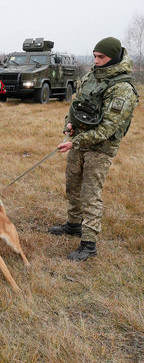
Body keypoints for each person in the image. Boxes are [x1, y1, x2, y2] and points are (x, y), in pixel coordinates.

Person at [48, 37, 138, 261]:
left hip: (101, 148)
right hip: (79, 142)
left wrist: (74, 142)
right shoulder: (90, 77)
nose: (96, 61)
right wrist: (69, 124)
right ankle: (73, 225)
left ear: (114, 58)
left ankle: (88, 244)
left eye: (101, 57)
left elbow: (107, 129)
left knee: (90, 194)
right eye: (94, 56)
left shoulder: (122, 89)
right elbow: (76, 106)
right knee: (72, 185)